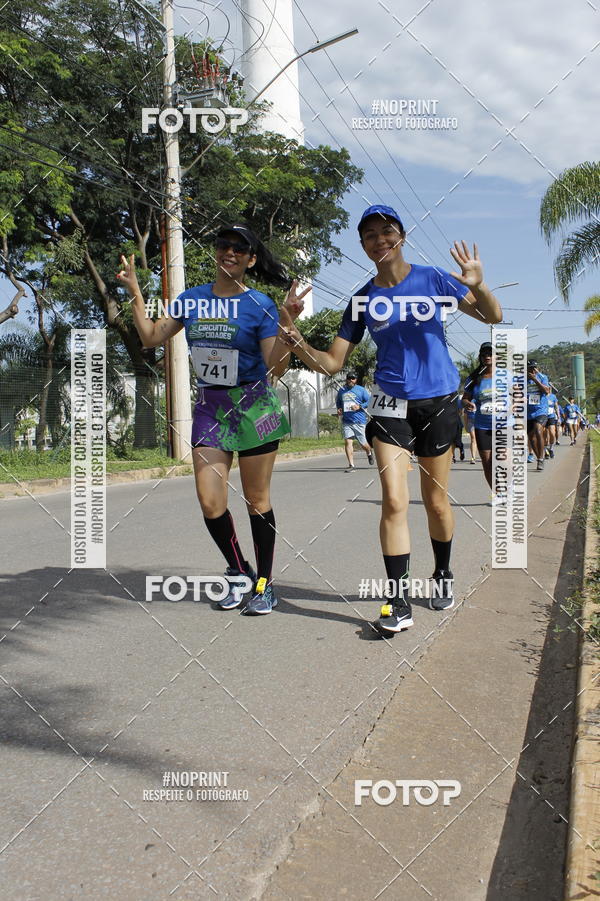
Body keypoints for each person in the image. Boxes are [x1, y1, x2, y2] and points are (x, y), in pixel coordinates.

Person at [281, 204, 502, 633]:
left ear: (401, 236)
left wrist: (480, 285)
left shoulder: (434, 279)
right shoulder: (362, 299)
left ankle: (441, 574)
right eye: (369, 235)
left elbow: (492, 316)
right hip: (389, 406)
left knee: (436, 502)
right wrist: (294, 339)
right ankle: (397, 601)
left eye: (387, 232)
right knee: (394, 500)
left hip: (437, 403)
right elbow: (330, 364)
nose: (379, 240)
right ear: (362, 246)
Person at [117, 223, 309, 615]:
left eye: (240, 248)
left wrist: (287, 323)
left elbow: (276, 367)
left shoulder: (260, 304)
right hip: (211, 408)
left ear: (251, 260)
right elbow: (152, 337)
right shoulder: (192, 300)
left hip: (255, 406)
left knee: (257, 501)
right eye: (225, 245)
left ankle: (264, 584)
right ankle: (239, 572)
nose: (231, 252)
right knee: (209, 500)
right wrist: (136, 292)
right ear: (217, 251)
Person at [462, 342, 494, 489]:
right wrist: (468, 403)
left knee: (502, 460)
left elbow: (518, 396)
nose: (487, 356)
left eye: (490, 353)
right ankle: (498, 493)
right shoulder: (474, 378)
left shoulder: (506, 375)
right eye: (484, 354)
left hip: (504, 424)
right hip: (482, 424)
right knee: (487, 462)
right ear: (480, 357)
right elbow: (465, 398)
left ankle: (508, 486)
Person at [336, 373, 374, 471]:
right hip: (347, 421)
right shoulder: (342, 390)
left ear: (356, 380)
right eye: (349, 378)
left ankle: (369, 452)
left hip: (359, 421)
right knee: (348, 442)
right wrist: (339, 408)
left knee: (364, 444)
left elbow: (370, 401)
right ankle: (351, 465)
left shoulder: (361, 390)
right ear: (346, 380)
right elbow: (339, 402)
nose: (351, 380)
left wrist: (359, 406)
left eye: (353, 378)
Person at [526, 360, 550, 471]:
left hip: (541, 410)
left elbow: (546, 391)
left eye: (534, 368)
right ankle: (540, 457)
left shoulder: (542, 377)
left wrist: (535, 379)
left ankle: (540, 459)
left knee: (538, 430)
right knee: (531, 438)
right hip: (528, 412)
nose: (532, 370)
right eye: (530, 368)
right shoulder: (522, 380)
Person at [545, 388, 559, 458]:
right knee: (544, 435)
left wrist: (558, 417)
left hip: (551, 416)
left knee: (552, 433)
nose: (547, 389)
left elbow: (556, 407)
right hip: (542, 416)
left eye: (549, 388)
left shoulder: (553, 396)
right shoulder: (541, 395)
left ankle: (551, 449)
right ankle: (545, 451)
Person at [451, 395, 465, 463]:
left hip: (456, 423)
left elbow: (461, 411)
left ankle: (461, 448)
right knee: (452, 441)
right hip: (451, 423)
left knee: (456, 441)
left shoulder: (457, 399)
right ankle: (452, 456)